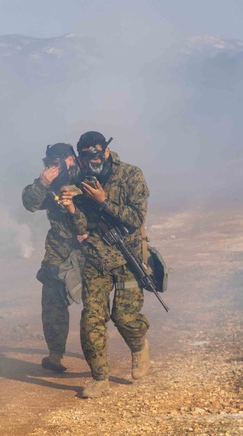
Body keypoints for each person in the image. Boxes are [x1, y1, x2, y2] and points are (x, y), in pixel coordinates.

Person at [57, 131, 150, 398]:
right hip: (95, 259)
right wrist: (72, 210)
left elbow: (135, 218)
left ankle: (139, 345)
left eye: (96, 156)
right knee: (92, 320)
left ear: (106, 152)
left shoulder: (131, 175)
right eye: (86, 158)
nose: (92, 162)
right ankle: (100, 378)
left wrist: (104, 202)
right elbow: (81, 227)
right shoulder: (79, 181)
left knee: (125, 317)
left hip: (127, 258)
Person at [21, 142, 84, 373]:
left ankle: (101, 353)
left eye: (56, 164)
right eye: (48, 165)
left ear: (70, 160)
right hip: (59, 246)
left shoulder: (86, 175)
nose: (52, 168)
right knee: (52, 300)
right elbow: (29, 202)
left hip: (90, 246)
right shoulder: (50, 185)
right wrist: (43, 183)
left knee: (96, 305)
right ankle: (55, 353)